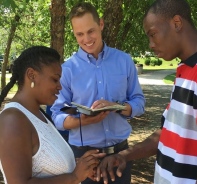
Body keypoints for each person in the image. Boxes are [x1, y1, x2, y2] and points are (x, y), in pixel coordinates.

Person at [97, 0, 197, 184]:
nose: (150, 44)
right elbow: (167, 134)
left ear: (176, 23)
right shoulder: (184, 72)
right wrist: (124, 156)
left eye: (153, 34)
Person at [51, 2, 145, 184]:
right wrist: (81, 120)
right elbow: (56, 115)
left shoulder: (124, 61)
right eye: (79, 34)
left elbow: (139, 102)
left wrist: (118, 107)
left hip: (120, 156)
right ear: (74, 33)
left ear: (101, 24)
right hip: (84, 159)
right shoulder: (67, 70)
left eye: (91, 31)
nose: (86, 39)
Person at [0, 46, 105, 184]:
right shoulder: (12, 120)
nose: (60, 86)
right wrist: (74, 177)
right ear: (32, 75)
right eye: (55, 79)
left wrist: (79, 165)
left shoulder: (37, 113)